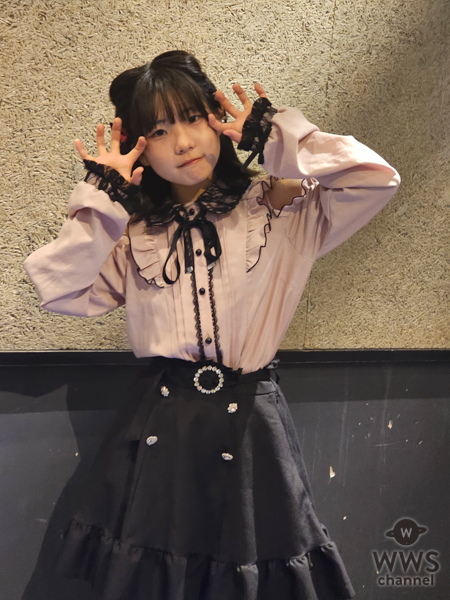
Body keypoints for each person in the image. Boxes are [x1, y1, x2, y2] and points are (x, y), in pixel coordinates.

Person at [23, 50, 400, 600]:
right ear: (139, 146)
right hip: (161, 424)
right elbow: (59, 290)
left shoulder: (279, 206)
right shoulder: (134, 230)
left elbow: (375, 179)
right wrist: (103, 202)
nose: (183, 142)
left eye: (194, 118)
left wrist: (278, 136)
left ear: (217, 120)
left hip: (251, 420)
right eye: (159, 130)